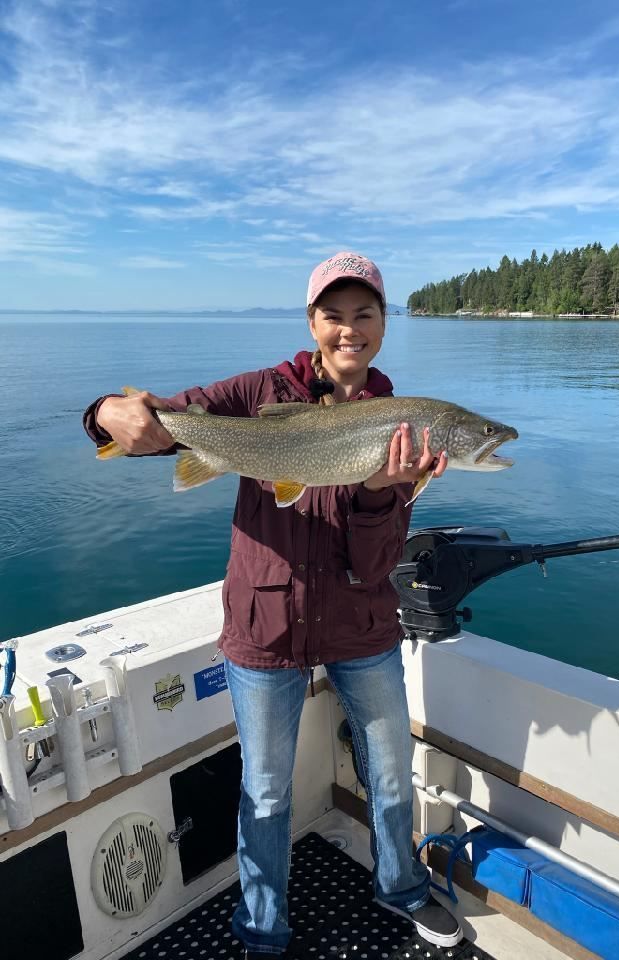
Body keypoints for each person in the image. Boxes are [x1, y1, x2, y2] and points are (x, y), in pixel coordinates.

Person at [83, 252, 462, 959]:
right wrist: (106, 411)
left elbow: (375, 563)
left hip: (361, 625)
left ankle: (403, 887)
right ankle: (263, 929)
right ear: (312, 322)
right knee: (263, 791)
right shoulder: (258, 391)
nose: (349, 329)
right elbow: (157, 422)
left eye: (364, 314)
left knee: (390, 772)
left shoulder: (402, 426)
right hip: (266, 627)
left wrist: (379, 491)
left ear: (383, 323)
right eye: (333, 315)